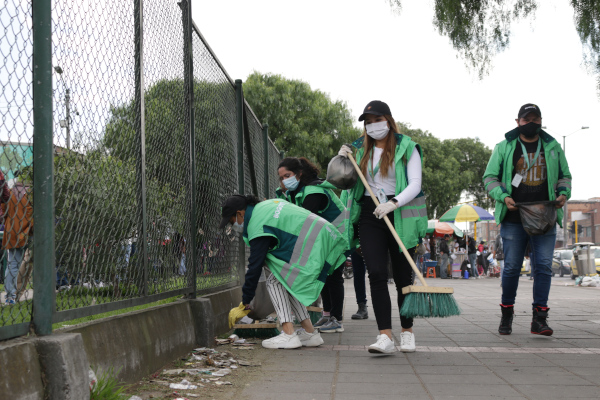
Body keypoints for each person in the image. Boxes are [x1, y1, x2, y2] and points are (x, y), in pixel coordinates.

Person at [338, 100, 427, 353]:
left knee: (402, 278)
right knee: (375, 273)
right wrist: (342, 159)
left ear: (388, 120)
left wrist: (394, 203)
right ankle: (385, 336)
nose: (373, 126)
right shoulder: (358, 148)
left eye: (377, 120)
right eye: (368, 122)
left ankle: (407, 331)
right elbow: (343, 179)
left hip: (400, 214)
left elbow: (415, 183)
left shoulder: (407, 147)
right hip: (369, 213)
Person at [483, 103, 571, 336]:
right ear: (517, 122)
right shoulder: (504, 147)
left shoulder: (552, 146)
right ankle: (506, 315)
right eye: (526, 119)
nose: (531, 123)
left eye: (535, 119)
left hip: (545, 216)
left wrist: (564, 193)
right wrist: (503, 196)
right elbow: (490, 177)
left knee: (543, 267)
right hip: (514, 216)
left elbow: (565, 176)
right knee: (511, 268)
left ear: (541, 120)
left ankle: (539, 319)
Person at [219, 195, 348, 349]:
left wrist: (245, 303)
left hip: (314, 245)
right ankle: (310, 332)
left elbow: (255, 265)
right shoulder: (265, 207)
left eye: (232, 221)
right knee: (285, 280)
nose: (234, 225)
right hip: (323, 236)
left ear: (240, 213)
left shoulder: (257, 224)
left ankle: (288, 333)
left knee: (274, 281)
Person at [277, 157, 348, 332]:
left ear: (299, 174)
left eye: (288, 175)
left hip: (338, 234)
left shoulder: (313, 191)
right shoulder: (299, 191)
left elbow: (307, 222)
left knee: (334, 276)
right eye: (282, 177)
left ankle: (336, 319)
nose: (285, 180)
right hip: (326, 235)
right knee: (323, 275)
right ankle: (327, 315)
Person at [2, 175, 32, 305]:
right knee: (38, 263)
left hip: (11, 233)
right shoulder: (30, 195)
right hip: (27, 233)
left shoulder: (9, 194)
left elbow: (4, 211)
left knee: (12, 264)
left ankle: (10, 295)